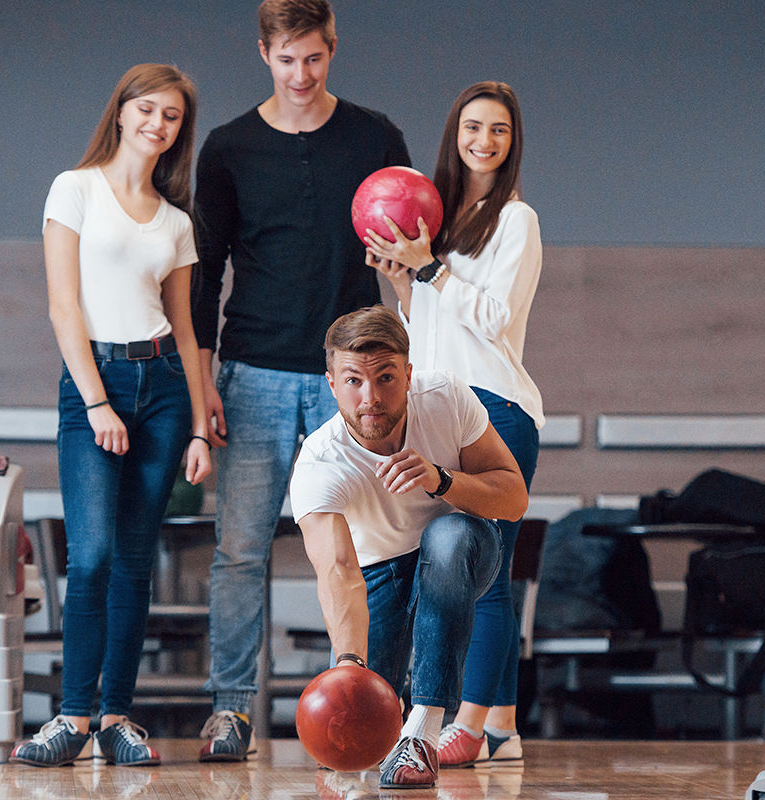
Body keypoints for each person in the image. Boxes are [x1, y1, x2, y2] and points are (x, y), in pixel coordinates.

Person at [191, 0, 410, 761]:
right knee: (241, 550)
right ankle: (230, 712)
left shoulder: (375, 137)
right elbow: (205, 271)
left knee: (371, 545)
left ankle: (378, 706)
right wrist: (204, 383)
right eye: (287, 60)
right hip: (251, 371)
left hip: (350, 379)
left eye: (313, 58)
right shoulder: (228, 147)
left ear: (332, 49)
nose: (300, 74)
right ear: (264, 53)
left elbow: (406, 248)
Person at [10, 64, 212, 768]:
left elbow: (185, 330)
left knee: (133, 561)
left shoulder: (177, 222)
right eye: (147, 109)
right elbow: (63, 305)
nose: (158, 124)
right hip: (93, 381)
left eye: (172, 116)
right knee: (91, 556)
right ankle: (72, 718)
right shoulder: (74, 188)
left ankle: (117, 718)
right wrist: (97, 400)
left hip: (164, 388)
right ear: (121, 112)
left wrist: (199, 427)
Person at [360, 81, 544, 767]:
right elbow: (423, 328)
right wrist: (401, 278)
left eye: (498, 129)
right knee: (464, 568)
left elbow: (494, 319)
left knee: (485, 574)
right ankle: (503, 728)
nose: (483, 141)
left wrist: (430, 268)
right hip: (438, 402)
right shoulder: (433, 217)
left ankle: (468, 725)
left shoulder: (516, 220)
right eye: (472, 127)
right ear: (454, 133)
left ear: (511, 141)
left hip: (496, 406)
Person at [289, 306, 528, 789]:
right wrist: (350, 665)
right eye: (353, 381)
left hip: (462, 549)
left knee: (447, 536)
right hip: (379, 572)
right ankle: (390, 721)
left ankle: (423, 732)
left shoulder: (445, 397)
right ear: (332, 383)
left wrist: (443, 480)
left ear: (409, 373)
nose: (371, 398)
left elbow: (513, 498)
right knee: (354, 742)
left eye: (386, 377)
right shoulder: (320, 463)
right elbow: (339, 571)